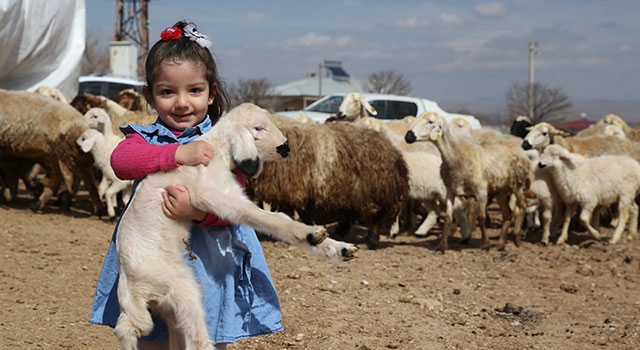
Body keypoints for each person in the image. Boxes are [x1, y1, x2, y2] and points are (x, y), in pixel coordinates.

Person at [89, 20, 283, 350]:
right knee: (153, 338)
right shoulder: (145, 139)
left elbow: (234, 205)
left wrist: (197, 212)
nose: (182, 103)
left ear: (211, 94)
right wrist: (177, 153)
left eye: (194, 90)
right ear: (149, 96)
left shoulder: (223, 145)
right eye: (167, 92)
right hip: (152, 257)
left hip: (207, 264)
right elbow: (122, 162)